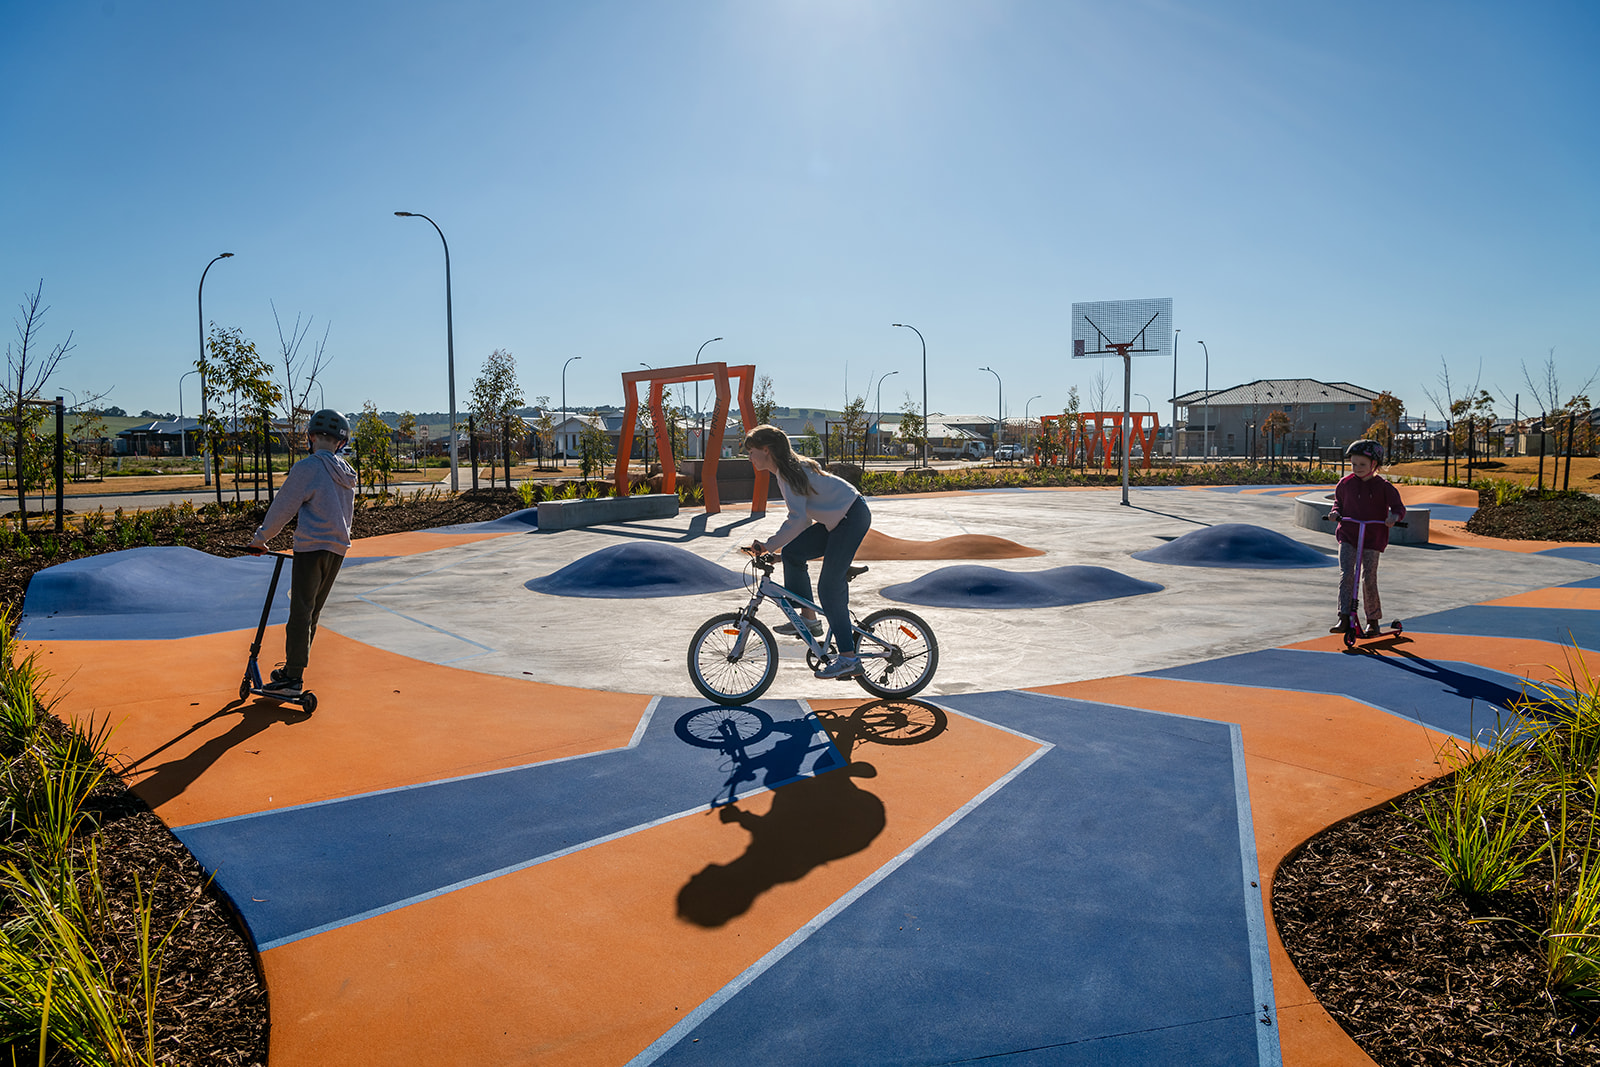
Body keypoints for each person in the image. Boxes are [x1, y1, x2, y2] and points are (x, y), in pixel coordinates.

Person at [742, 424, 871, 679]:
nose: (749, 457)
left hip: (851, 517)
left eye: (751, 451)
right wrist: (779, 553)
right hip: (838, 519)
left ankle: (848, 658)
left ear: (766, 450)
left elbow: (799, 520)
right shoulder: (786, 471)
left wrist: (768, 545)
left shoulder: (789, 473)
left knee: (829, 589)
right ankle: (809, 620)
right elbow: (802, 521)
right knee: (792, 553)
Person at [248, 409, 357, 698]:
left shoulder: (308, 468)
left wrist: (261, 539)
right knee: (313, 611)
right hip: (337, 549)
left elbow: (283, 507)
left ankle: (292, 678)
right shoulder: (346, 473)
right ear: (341, 443)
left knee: (300, 611)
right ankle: (293, 669)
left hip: (311, 547)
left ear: (311, 437)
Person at [1328, 438, 1405, 637]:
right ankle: (1344, 617)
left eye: (1362, 464)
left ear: (1374, 464)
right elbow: (1338, 503)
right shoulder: (1345, 484)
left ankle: (1373, 620)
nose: (1357, 468)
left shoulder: (1384, 487)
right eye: (1353, 464)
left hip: (1373, 537)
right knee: (1347, 574)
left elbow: (1398, 508)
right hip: (1348, 534)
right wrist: (1335, 512)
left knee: (1368, 577)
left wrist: (1394, 517)